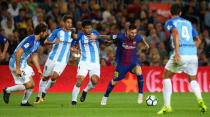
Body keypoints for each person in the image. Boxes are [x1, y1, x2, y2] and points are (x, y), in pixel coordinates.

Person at [157, 4, 207, 114]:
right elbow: (198, 39)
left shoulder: (170, 22)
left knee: (166, 76)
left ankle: (167, 106)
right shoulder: (188, 23)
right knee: (192, 80)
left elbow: (175, 33)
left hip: (181, 54)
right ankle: (200, 100)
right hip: (193, 55)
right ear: (180, 13)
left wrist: (178, 52)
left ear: (170, 13)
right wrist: (193, 49)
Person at [90, 24, 149, 105]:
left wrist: (146, 44)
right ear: (127, 31)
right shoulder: (120, 37)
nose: (134, 35)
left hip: (133, 62)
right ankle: (105, 96)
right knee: (114, 82)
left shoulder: (137, 37)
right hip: (122, 65)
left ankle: (140, 94)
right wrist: (96, 37)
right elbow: (108, 37)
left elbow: (141, 38)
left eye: (135, 33)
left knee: (139, 71)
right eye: (132, 33)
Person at [2, 23, 48, 106]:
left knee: (32, 85)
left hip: (23, 63)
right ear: (41, 32)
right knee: (27, 85)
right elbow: (18, 53)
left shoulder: (37, 42)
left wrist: (39, 70)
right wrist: (18, 69)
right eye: (45, 32)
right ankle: (7, 90)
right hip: (16, 63)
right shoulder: (31, 39)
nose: (46, 34)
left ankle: (24, 102)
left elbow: (34, 56)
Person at [34, 15, 75, 104]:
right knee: (45, 78)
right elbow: (45, 42)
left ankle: (44, 92)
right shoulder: (57, 32)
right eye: (68, 22)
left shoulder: (72, 34)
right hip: (52, 58)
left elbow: (72, 45)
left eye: (71, 23)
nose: (69, 24)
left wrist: (73, 49)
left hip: (63, 60)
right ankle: (38, 96)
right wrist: (53, 42)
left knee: (54, 77)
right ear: (63, 22)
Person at [71, 20, 104, 105]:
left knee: (95, 80)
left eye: (90, 28)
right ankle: (74, 101)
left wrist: (109, 40)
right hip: (84, 62)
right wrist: (72, 32)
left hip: (95, 63)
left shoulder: (95, 33)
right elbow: (74, 37)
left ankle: (85, 91)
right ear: (83, 29)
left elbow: (104, 41)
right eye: (87, 28)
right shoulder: (80, 35)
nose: (89, 30)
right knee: (80, 80)